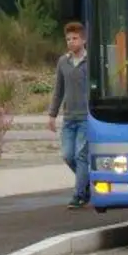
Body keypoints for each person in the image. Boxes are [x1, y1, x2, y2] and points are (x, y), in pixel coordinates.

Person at [48, 21, 91, 208]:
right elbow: (58, 90)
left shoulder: (90, 62)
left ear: (84, 40)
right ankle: (86, 184)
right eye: (68, 39)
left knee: (81, 155)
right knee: (67, 155)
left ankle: (79, 195)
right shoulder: (63, 62)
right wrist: (52, 114)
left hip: (86, 117)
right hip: (69, 117)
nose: (71, 42)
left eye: (74, 38)